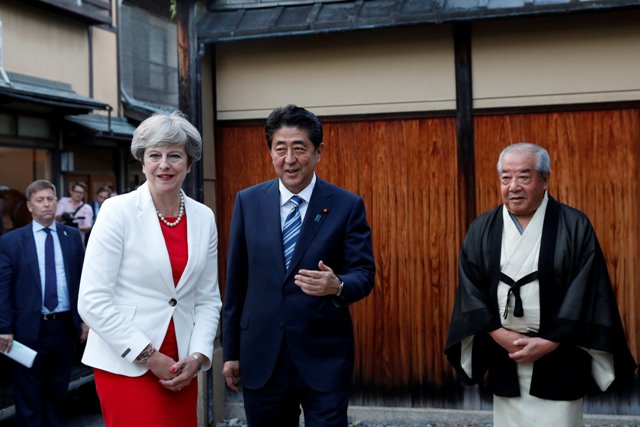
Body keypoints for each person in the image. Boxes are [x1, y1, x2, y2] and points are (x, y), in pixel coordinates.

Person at [445, 143, 636, 427]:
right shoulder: (482, 228)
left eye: (524, 177)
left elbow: (586, 291)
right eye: (506, 178)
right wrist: (498, 333)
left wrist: (549, 342)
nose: (513, 186)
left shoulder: (574, 225)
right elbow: (470, 289)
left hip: (560, 354)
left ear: (545, 179)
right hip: (506, 353)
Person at [222, 104, 376, 426]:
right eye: (280, 149)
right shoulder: (248, 202)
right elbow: (236, 283)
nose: (289, 159)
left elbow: (364, 273)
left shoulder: (346, 205)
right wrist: (231, 352)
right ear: (271, 153)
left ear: (318, 152)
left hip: (323, 355)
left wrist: (338, 285)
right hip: (262, 353)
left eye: (299, 149)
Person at [77, 112, 222, 427]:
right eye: (154, 155)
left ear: (189, 163)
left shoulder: (203, 217)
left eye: (175, 156)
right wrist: (150, 357)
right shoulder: (117, 212)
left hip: (181, 365)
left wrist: (198, 357)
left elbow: (208, 298)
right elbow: (92, 300)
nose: (164, 165)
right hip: (126, 362)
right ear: (142, 163)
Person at [0, 179, 88, 427]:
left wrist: (84, 321)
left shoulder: (71, 236)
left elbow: (81, 281)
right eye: (40, 200)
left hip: (64, 328)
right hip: (27, 330)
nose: (46, 204)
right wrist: (4, 327)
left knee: (58, 390)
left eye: (50, 199)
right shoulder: (11, 241)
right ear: (30, 206)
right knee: (28, 394)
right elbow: (3, 288)